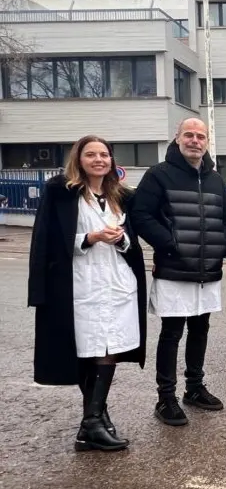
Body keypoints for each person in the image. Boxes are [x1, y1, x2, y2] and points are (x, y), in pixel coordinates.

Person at [28, 135, 147, 451]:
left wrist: (121, 239)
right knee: (87, 348)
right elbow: (47, 238)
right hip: (80, 282)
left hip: (117, 282)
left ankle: (93, 420)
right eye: (91, 154)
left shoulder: (120, 195)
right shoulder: (61, 192)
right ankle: (94, 421)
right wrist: (90, 237)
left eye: (104, 155)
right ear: (78, 159)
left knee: (108, 348)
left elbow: (133, 241)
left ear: (111, 160)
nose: (99, 160)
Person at [131, 118, 226, 427]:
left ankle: (194, 387)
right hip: (174, 270)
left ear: (206, 142)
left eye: (200, 136)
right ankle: (166, 397)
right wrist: (171, 244)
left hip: (208, 270)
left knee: (200, 330)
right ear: (177, 139)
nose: (195, 140)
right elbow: (141, 215)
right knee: (172, 333)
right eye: (188, 135)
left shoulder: (215, 179)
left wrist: (225, 245)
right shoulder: (158, 175)